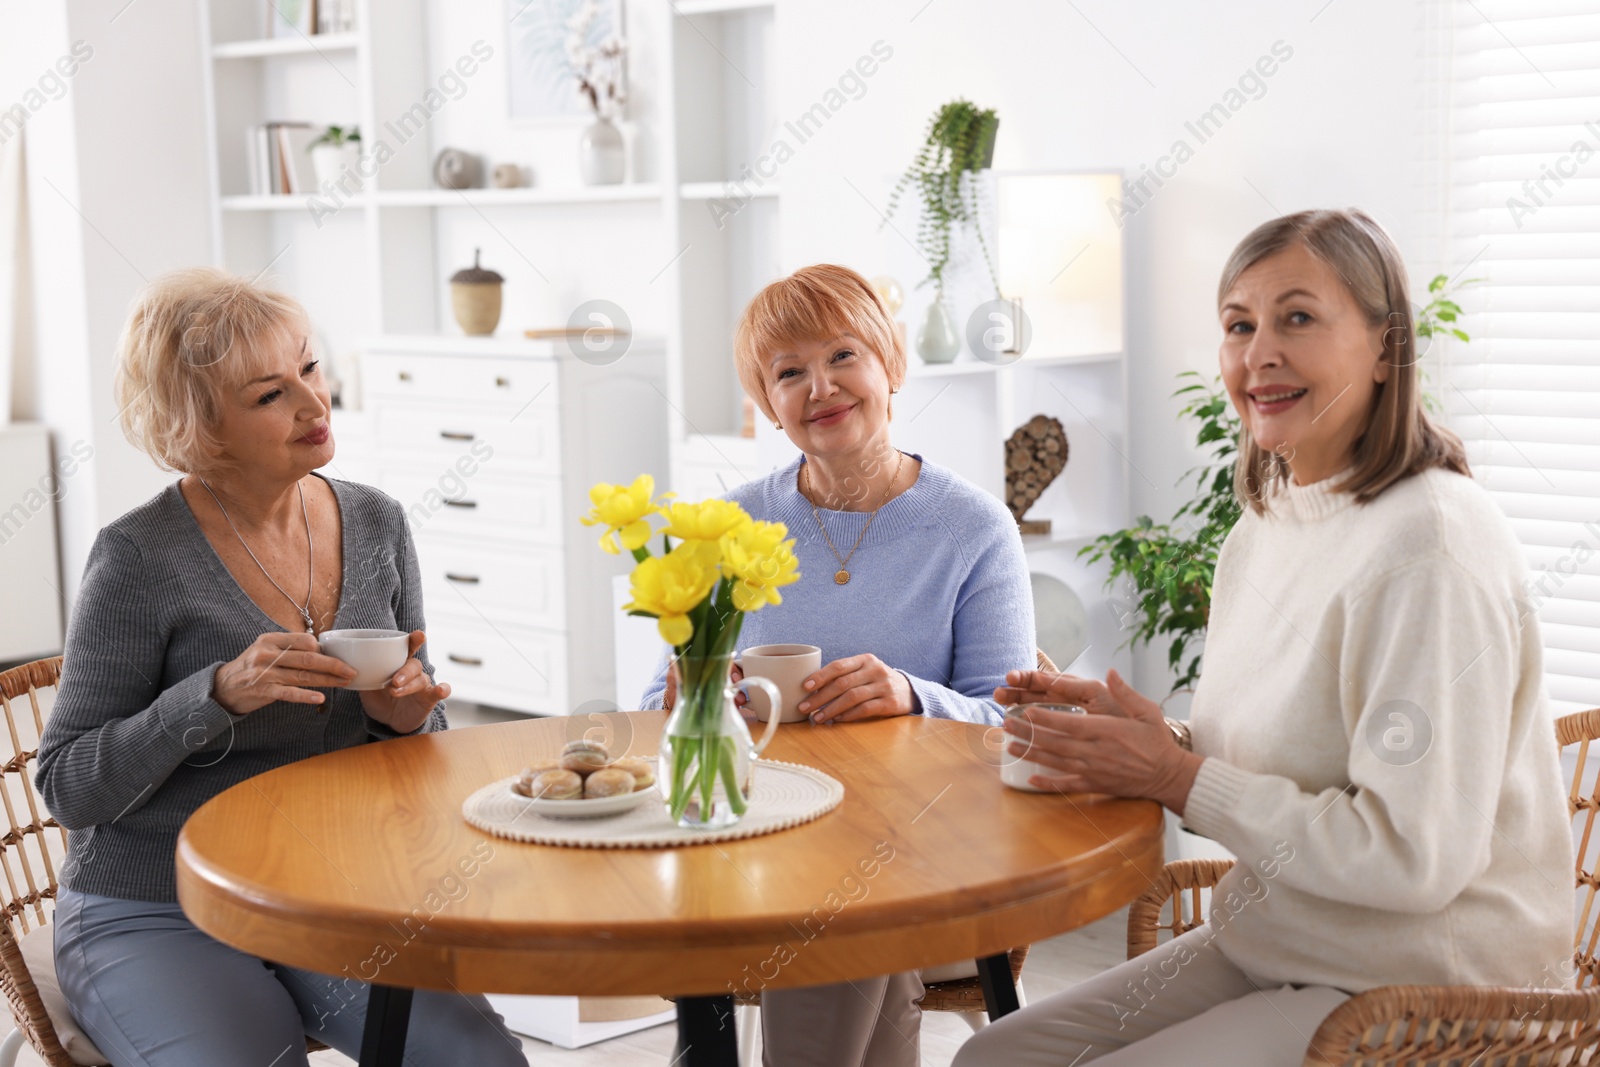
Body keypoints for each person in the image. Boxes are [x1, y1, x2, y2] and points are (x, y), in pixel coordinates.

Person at [953, 209, 1575, 1066]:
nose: (1259, 354)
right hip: (1285, 943)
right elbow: (1292, 757)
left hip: (1425, 981)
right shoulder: (1270, 522)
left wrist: (1175, 776)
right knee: (992, 1056)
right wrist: (1145, 738)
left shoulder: (1429, 546)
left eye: (1298, 318)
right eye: (1239, 325)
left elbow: (1410, 859)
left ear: (1387, 346)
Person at [35, 268, 528, 1067]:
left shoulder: (375, 520)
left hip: (327, 895)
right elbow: (67, 782)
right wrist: (217, 693)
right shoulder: (138, 556)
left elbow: (416, 737)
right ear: (202, 425)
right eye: (270, 394)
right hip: (156, 903)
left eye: (311, 367)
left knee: (478, 1060)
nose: (313, 402)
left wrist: (403, 718)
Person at [639, 263, 1036, 1066]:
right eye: (789, 372)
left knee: (835, 894)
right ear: (769, 405)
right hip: (765, 831)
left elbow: (1017, 721)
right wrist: (694, 690)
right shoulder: (734, 523)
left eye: (843, 355)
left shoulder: (973, 527)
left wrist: (911, 694)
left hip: (934, 840)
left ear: (890, 366)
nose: (820, 386)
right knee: (831, 891)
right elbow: (655, 703)